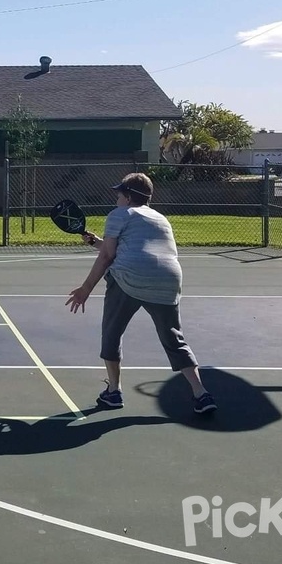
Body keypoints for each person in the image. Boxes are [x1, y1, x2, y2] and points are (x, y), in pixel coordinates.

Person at [65, 172, 216, 415]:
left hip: (128, 277)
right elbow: (130, 248)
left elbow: (108, 256)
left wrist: (85, 289)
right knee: (174, 339)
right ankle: (201, 393)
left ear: (127, 196)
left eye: (119, 193)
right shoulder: (160, 219)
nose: (116, 197)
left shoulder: (119, 214)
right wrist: (95, 241)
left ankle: (114, 392)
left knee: (112, 332)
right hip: (168, 280)